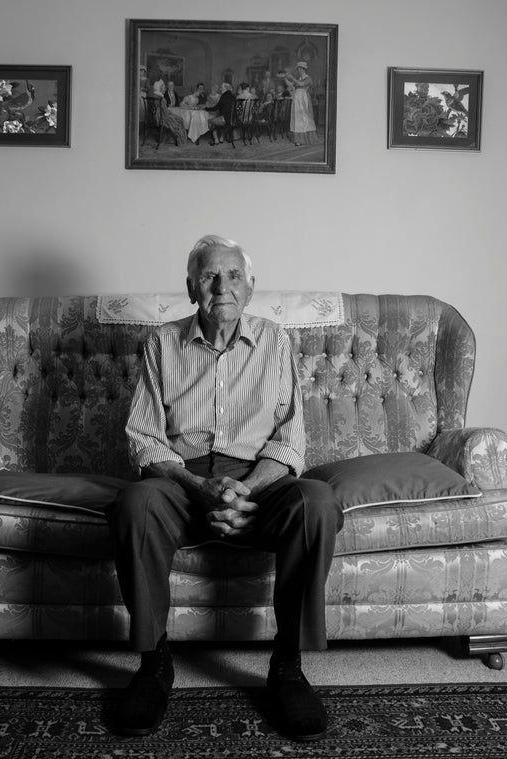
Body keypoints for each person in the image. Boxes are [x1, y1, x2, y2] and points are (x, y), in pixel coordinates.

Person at [108, 235, 343, 742]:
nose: (222, 286)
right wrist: (197, 486)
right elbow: (144, 439)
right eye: (210, 276)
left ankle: (288, 666)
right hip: (182, 479)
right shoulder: (161, 343)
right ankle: (153, 664)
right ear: (191, 287)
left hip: (258, 477)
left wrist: (245, 491)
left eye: (234, 276)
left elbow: (290, 441)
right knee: (135, 503)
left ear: (250, 288)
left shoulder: (275, 341)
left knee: (317, 501)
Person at [283, 61, 318, 145]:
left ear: (303, 69)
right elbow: (291, 85)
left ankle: (305, 138)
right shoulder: (299, 78)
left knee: (304, 117)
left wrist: (292, 78)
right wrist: (284, 77)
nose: (299, 70)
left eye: (300, 69)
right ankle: (298, 140)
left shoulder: (308, 78)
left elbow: (302, 84)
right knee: (297, 118)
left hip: (303, 98)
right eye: (298, 69)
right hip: (297, 99)